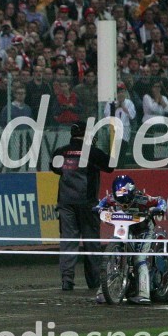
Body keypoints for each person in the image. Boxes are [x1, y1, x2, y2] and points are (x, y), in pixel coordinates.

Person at [50, 121, 114, 299]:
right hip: (87, 203)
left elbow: (55, 168)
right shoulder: (92, 153)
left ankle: (67, 280)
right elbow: (110, 166)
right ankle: (93, 281)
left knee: (68, 241)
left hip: (65, 202)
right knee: (91, 242)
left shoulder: (60, 152)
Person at [94, 175, 167, 305]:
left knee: (139, 259)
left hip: (143, 231)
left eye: (126, 200)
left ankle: (144, 294)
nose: (123, 204)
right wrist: (99, 207)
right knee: (114, 256)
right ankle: (103, 291)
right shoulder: (111, 197)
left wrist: (159, 208)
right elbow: (102, 202)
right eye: (120, 201)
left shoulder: (142, 198)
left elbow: (160, 201)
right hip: (125, 229)